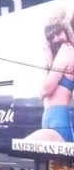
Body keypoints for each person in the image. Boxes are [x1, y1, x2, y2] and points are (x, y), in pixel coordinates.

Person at [26, 10, 74, 142]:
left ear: (66, 30)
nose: (55, 39)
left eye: (58, 33)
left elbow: (45, 90)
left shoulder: (67, 50)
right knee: (53, 162)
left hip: (59, 119)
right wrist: (48, 60)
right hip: (49, 117)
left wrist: (47, 58)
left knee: (24, 146)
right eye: (51, 37)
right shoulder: (57, 58)